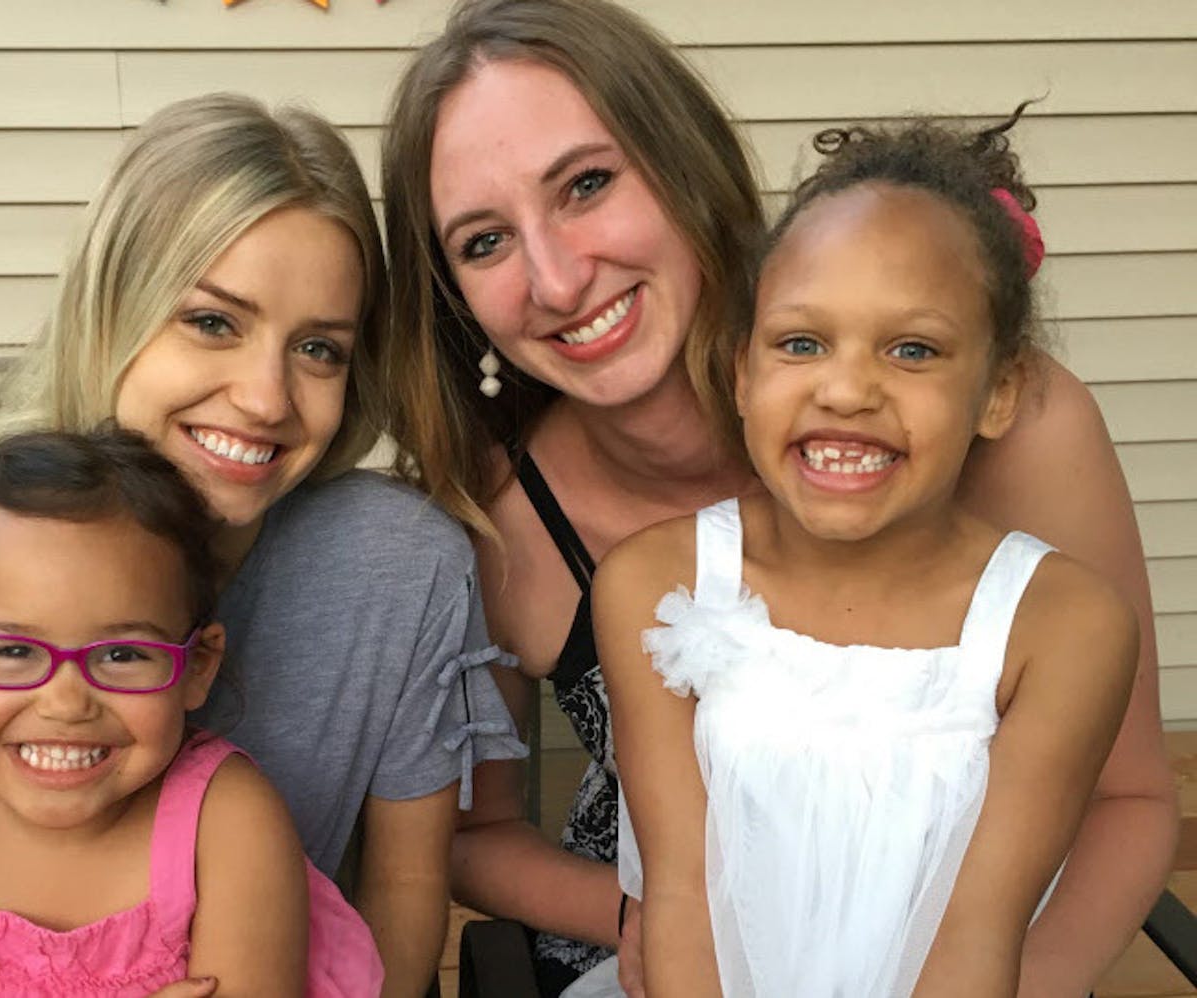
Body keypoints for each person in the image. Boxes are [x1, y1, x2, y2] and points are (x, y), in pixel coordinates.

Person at [378, 0, 1176, 994]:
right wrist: (663, 918)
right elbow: (471, 833)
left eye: (585, 184)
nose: (555, 276)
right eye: (484, 241)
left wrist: (1026, 977)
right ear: (451, 288)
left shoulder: (1012, 430)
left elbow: (1130, 795)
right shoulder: (498, 520)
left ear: (682, 164)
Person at [0, 92, 523, 998]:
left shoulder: (400, 565)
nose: (265, 398)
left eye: (319, 349)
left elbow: (406, 884)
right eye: (212, 321)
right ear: (113, 306)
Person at [598, 112, 1137, 997]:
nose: (846, 389)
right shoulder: (655, 584)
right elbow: (684, 901)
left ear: (998, 393)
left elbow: (976, 935)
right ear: (743, 374)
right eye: (801, 343)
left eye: (913, 349)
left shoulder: (1063, 627)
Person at [0, 428, 384, 997]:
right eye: (12, 651)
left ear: (198, 665)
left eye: (123, 654)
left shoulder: (227, 824)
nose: (67, 703)